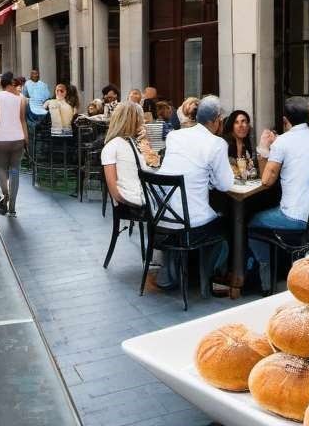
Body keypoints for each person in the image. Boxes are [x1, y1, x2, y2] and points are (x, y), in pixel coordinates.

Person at [248, 97, 309, 292]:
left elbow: (266, 181)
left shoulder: (283, 142)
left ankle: (265, 282)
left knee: (253, 221)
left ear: (286, 120)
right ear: (308, 116)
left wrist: (263, 148)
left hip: (297, 218)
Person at [155, 96, 233, 296]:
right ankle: (208, 278)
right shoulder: (216, 143)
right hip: (191, 223)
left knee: (202, 213)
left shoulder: (175, 137)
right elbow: (225, 184)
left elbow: (184, 168)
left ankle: (173, 272)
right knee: (225, 228)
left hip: (163, 217)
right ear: (216, 120)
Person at [102, 102, 158, 208]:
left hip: (144, 198)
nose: (144, 122)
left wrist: (145, 141)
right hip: (136, 200)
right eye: (142, 118)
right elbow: (114, 191)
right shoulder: (113, 146)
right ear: (135, 121)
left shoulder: (135, 142)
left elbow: (151, 165)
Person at [0, 75, 28, 216]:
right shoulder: (21, 98)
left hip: (1, 139)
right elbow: (22, 119)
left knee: (0, 167)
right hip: (18, 138)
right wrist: (26, 138)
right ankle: (12, 207)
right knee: (14, 170)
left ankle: (5, 195)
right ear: (11, 84)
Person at [222, 110, 257, 180]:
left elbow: (252, 170)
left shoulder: (248, 146)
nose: (241, 125)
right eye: (236, 122)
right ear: (232, 127)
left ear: (248, 126)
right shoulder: (224, 146)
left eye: (243, 121)